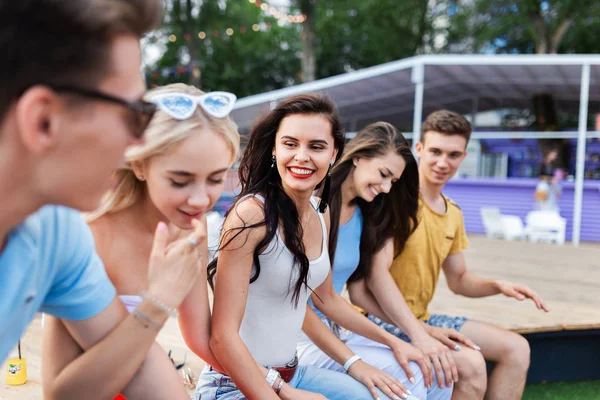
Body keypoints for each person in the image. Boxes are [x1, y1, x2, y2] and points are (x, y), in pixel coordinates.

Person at [0, 1, 206, 398]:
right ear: (44, 121)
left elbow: (140, 369)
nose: (141, 143)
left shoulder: (57, 231)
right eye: (135, 114)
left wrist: (157, 302)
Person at [197, 93, 418, 400]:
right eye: (290, 144)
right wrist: (283, 391)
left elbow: (326, 299)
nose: (302, 156)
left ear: (334, 153)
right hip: (235, 383)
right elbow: (222, 337)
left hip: (295, 372)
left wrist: (364, 358)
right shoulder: (251, 215)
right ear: (275, 149)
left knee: (384, 396)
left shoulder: (319, 212)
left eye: (316, 146)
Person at [41, 84, 239, 399]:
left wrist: (272, 384)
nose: (201, 200)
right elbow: (58, 392)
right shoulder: (86, 236)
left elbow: (202, 339)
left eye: (216, 179)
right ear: (139, 165)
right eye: (180, 180)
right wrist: (158, 301)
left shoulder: (191, 228)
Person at [349, 110, 550, 400]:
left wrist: (499, 287)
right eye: (435, 152)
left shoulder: (452, 212)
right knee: (471, 364)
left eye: (453, 155)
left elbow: (459, 280)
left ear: (464, 156)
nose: (443, 163)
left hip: (423, 317)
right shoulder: (396, 201)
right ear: (419, 150)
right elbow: (373, 277)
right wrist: (421, 331)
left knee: (517, 348)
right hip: (379, 319)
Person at [297, 122, 452, 400]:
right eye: (383, 174)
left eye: (393, 182)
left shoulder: (363, 215)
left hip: (339, 330)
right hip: (301, 336)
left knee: (433, 373)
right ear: (358, 157)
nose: (385, 187)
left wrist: (419, 332)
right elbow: (323, 299)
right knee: (410, 376)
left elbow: (358, 293)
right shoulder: (314, 206)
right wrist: (397, 338)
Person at [534, 148, 562, 212]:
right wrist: (550, 179)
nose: (555, 157)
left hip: (550, 187)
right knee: (541, 205)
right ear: (548, 154)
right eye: (553, 155)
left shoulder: (551, 165)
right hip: (543, 187)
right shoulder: (542, 164)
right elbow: (539, 176)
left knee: (550, 205)